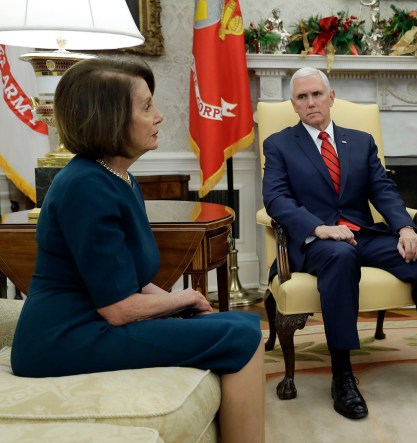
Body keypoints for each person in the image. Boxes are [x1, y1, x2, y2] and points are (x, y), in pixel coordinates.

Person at [10, 58, 265, 443]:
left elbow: (133, 280)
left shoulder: (119, 177)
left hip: (92, 324)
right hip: (64, 339)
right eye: (146, 107)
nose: (160, 116)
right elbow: (118, 309)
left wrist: (182, 305)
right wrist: (187, 296)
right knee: (243, 337)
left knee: (245, 324)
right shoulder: (85, 186)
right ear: (109, 119)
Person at [262, 67, 417, 419]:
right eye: (301, 97)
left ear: (331, 97)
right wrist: (319, 228)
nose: (310, 102)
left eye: (316, 94)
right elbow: (276, 199)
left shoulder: (359, 141)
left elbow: (383, 191)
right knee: (340, 256)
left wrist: (404, 229)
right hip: (315, 244)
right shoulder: (279, 144)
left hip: (363, 236)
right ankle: (342, 375)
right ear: (294, 105)